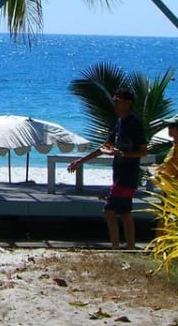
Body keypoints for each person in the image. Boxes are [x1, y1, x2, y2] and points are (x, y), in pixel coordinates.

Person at [68, 88, 148, 249]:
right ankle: (127, 248)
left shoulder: (134, 123)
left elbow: (143, 150)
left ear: (128, 103)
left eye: (118, 101)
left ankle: (119, 247)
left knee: (109, 211)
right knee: (124, 213)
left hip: (128, 175)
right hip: (118, 175)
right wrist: (81, 161)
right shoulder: (120, 123)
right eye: (115, 100)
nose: (115, 104)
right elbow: (104, 147)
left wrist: (124, 154)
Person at [154, 115, 178, 185]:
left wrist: (160, 174)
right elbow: (172, 166)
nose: (169, 129)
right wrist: (161, 168)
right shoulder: (175, 146)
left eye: (171, 126)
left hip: (177, 191)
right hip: (170, 188)